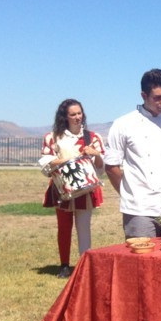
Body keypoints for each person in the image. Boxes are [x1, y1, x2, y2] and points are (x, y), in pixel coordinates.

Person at [103, 69, 161, 238]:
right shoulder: (123, 124)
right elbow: (111, 166)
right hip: (139, 209)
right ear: (143, 96)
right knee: (142, 261)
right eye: (157, 98)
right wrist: (130, 193)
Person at [39, 99, 104, 279]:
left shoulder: (93, 138)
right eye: (73, 114)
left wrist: (96, 154)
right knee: (64, 227)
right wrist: (69, 161)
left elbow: (100, 168)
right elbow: (46, 163)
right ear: (65, 117)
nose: (77, 117)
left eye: (79, 113)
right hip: (63, 189)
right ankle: (65, 265)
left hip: (86, 190)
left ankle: (84, 264)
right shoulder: (52, 137)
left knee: (84, 227)